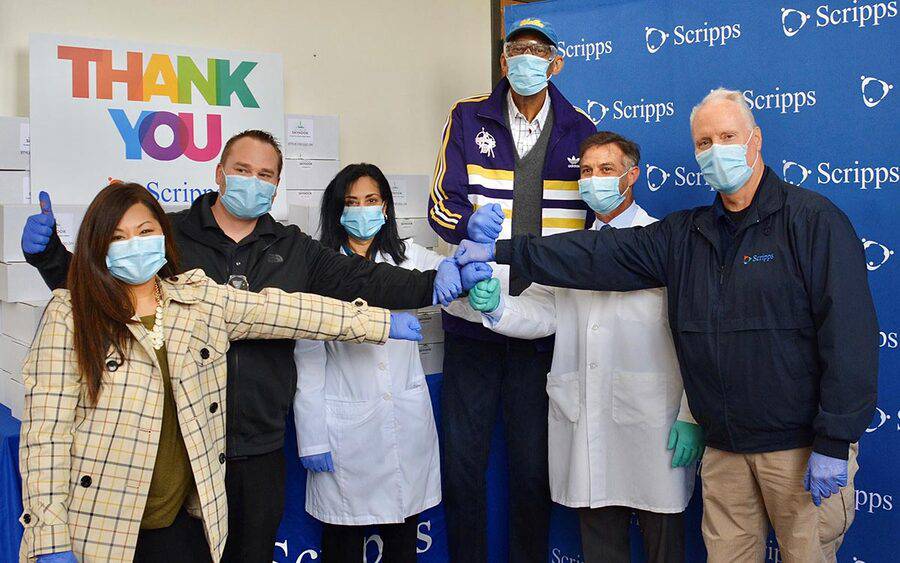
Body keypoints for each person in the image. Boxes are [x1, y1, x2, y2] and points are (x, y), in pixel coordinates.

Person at [454, 88, 878, 562]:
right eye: (703, 142)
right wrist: (502, 252)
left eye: (727, 136)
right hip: (726, 451)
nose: (715, 150)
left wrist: (836, 438)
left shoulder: (812, 221)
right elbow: (598, 253)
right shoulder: (687, 235)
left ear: (755, 141)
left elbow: (850, 335)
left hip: (795, 449)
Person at [19, 130, 465, 563]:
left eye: (266, 174)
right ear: (219, 173)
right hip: (175, 451)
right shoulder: (170, 238)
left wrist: (411, 300)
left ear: (276, 185)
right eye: (242, 169)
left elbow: (305, 307)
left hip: (256, 443)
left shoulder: (275, 255)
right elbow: (100, 293)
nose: (253, 181)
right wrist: (51, 258)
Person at [467, 131, 703, 563]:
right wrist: (498, 308)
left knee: (663, 541)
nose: (594, 180)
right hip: (586, 418)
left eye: (607, 170)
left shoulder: (663, 242)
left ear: (632, 176)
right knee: (599, 542)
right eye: (587, 171)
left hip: (654, 422)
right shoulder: (567, 250)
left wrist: (691, 413)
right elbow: (544, 313)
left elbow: (693, 336)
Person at [426, 16, 596, 561]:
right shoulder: (466, 115)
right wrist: (465, 233)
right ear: (503, 60)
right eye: (515, 49)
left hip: (542, 323)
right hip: (471, 323)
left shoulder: (582, 128)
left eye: (537, 50)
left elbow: (593, 225)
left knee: (532, 469)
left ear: (556, 62)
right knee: (463, 463)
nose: (525, 58)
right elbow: (442, 203)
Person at [293, 163, 480, 562]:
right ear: (336, 210)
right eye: (352, 202)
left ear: (386, 206)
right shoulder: (319, 265)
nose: (363, 210)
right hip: (344, 431)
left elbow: (457, 279)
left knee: (402, 542)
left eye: (372, 200)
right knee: (342, 545)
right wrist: (312, 436)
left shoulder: (408, 256)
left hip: (404, 425)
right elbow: (307, 361)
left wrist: (461, 262)